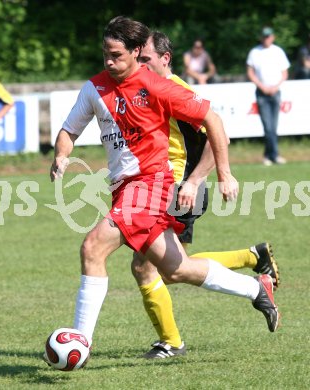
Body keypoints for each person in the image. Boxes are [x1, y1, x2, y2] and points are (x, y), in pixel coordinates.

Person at [48, 16, 280, 364]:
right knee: (175, 269)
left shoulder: (156, 86)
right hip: (123, 188)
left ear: (136, 51)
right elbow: (69, 130)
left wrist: (224, 173)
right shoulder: (94, 89)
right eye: (105, 54)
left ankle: (80, 343)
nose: (108, 61)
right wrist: (61, 157)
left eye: (116, 54)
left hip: (152, 186)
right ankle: (255, 288)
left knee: (93, 247)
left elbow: (213, 121)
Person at [133, 31, 280, 359]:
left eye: (146, 59)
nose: (140, 65)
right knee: (172, 267)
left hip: (181, 189)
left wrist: (198, 180)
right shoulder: (149, 90)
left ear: (165, 59)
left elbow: (220, 135)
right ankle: (253, 258)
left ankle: (171, 343)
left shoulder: (177, 91)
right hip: (164, 187)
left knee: (151, 267)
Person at [246, 27, 290, 166]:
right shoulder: (254, 52)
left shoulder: (278, 51)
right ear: (261, 38)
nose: (266, 39)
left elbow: (284, 72)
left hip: (275, 91)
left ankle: (269, 155)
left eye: (268, 36)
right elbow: (250, 72)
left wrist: (275, 86)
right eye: (264, 36)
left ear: (272, 37)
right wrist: (262, 86)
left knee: (273, 126)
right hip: (261, 92)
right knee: (267, 126)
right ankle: (274, 155)